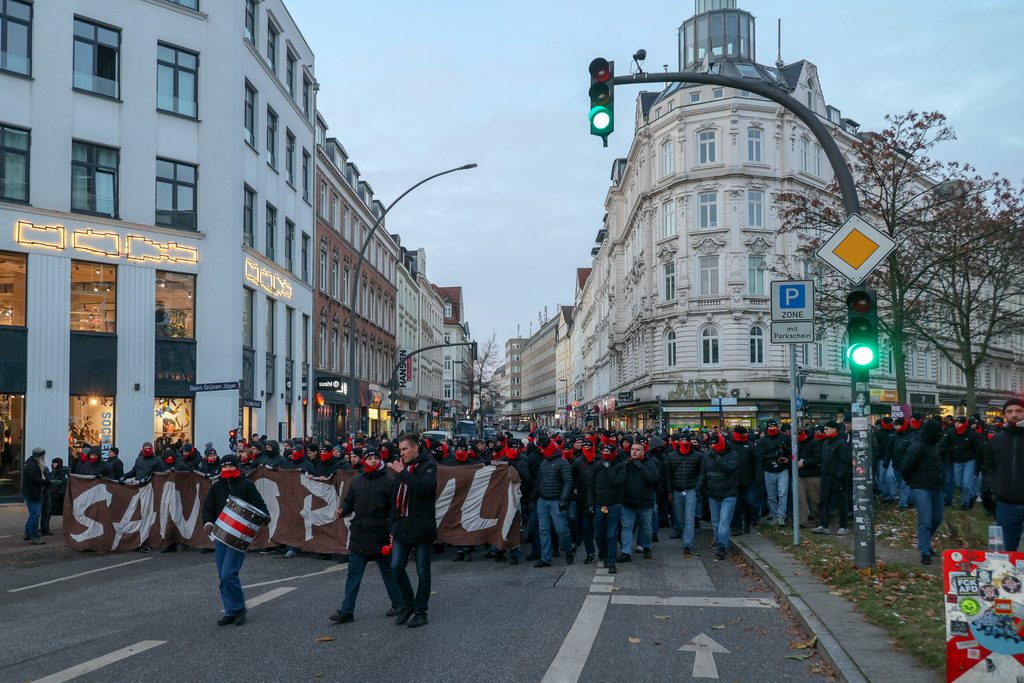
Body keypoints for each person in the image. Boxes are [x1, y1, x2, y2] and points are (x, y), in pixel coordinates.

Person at [329, 448, 405, 624]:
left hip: (381, 532)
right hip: (360, 532)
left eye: (375, 458)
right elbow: (349, 502)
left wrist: (393, 530)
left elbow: (395, 509)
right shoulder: (357, 481)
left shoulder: (389, 481)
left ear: (379, 460)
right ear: (365, 461)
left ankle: (399, 603)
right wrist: (342, 511)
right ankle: (347, 610)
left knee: (388, 572)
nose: (372, 461)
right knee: (353, 573)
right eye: (369, 458)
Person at [201, 453, 268, 626]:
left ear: (237, 467)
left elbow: (261, 506)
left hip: (239, 537)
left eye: (231, 466)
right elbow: (208, 507)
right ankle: (230, 610)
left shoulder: (246, 485)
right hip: (220, 535)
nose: (227, 469)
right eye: (224, 467)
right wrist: (208, 523)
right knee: (222, 576)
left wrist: (264, 517)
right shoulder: (216, 487)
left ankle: (239, 608)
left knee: (228, 573)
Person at [389, 433, 438, 628]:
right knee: (396, 566)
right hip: (402, 525)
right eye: (400, 450)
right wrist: (392, 526)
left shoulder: (429, 466)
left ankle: (421, 610)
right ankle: (408, 604)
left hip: (422, 526)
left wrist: (402, 473)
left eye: (405, 449)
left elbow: (422, 487)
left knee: (423, 571)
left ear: (416, 448)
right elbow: (395, 497)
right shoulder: (404, 468)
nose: (402, 454)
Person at [902, 418, 945, 564]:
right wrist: (911, 481)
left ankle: (925, 543)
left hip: (936, 487)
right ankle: (924, 551)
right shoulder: (917, 446)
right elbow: (906, 466)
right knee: (925, 520)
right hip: (920, 487)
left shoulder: (933, 446)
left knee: (937, 519)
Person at [983, 398, 1024, 552]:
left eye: (1019, 411)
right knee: (1006, 550)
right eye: (1010, 411)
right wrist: (995, 486)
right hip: (1007, 503)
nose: (1014, 415)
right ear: (1005, 414)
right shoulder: (997, 439)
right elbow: (988, 467)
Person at [532, 436, 575, 567]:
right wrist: (534, 497)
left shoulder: (563, 463)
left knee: (561, 529)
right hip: (543, 500)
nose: (541, 451)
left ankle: (568, 550)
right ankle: (546, 558)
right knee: (543, 530)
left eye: (543, 449)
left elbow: (568, 482)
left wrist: (563, 499)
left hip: (556, 501)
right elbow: (539, 482)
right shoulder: (544, 463)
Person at [696, 433, 740, 560]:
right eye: (711, 443)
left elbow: (729, 468)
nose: (712, 446)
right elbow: (703, 474)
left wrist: (716, 457)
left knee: (723, 522)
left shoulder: (732, 454)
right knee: (715, 523)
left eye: (715, 443)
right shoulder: (706, 456)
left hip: (728, 493)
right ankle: (719, 540)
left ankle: (722, 546)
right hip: (713, 493)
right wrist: (698, 487)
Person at [590, 443, 626, 573]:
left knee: (611, 535)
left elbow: (617, 481)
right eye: (603, 451)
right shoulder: (597, 465)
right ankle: (603, 552)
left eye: (607, 451)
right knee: (598, 533)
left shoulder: (620, 466)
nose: (605, 453)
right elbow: (591, 485)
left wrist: (608, 467)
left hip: (614, 504)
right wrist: (590, 503)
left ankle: (611, 561)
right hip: (599, 504)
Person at [620, 441, 658, 562]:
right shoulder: (626, 464)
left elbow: (653, 479)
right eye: (632, 449)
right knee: (626, 527)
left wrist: (640, 466)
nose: (634, 451)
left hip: (644, 502)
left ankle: (647, 547)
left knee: (646, 527)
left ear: (643, 452)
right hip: (628, 501)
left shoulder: (650, 463)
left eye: (637, 449)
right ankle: (625, 552)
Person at [666, 433, 702, 556]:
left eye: (685, 440)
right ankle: (684, 535)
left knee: (689, 518)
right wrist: (670, 491)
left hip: (691, 490)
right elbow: (669, 476)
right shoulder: (671, 456)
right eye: (681, 440)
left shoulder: (697, 456)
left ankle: (688, 544)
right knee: (680, 517)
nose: (683, 442)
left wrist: (697, 488)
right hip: (677, 490)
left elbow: (700, 473)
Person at [814, 421, 851, 536]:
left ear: (835, 429)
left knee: (841, 501)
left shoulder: (841, 443)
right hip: (825, 475)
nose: (825, 431)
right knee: (823, 500)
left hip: (837, 477)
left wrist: (840, 475)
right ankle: (823, 524)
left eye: (827, 429)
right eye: (824, 429)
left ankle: (843, 525)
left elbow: (845, 461)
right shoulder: (826, 442)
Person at [758, 421, 790, 526]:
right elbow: (762, 456)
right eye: (770, 426)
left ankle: (781, 516)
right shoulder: (763, 440)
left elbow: (791, 451)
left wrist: (787, 457)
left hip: (782, 469)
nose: (772, 428)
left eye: (774, 426)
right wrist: (775, 455)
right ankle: (775, 515)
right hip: (769, 469)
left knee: (782, 493)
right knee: (771, 496)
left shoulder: (784, 437)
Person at [22, 447, 51, 544]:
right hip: (32, 493)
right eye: (43, 456)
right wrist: (48, 482)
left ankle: (27, 532)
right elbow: (36, 480)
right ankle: (34, 535)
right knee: (35, 514)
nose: (44, 458)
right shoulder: (32, 466)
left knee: (34, 514)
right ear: (40, 457)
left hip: (36, 493)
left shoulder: (36, 464)